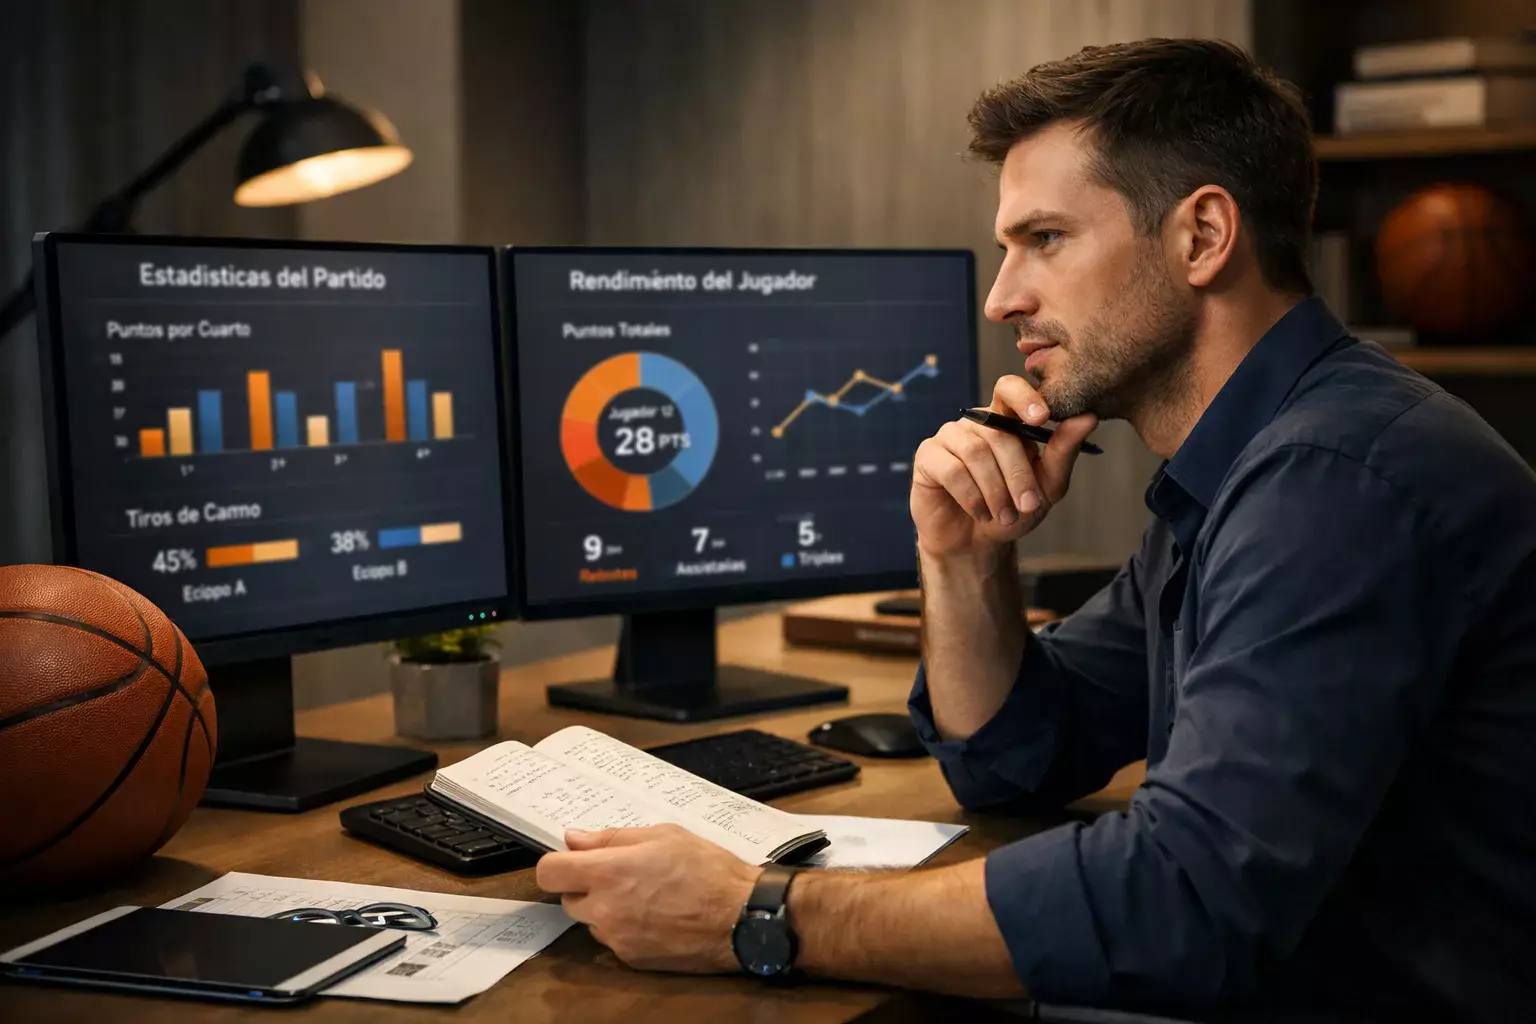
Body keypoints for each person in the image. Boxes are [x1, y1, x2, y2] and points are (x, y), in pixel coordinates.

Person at [535, 38, 1536, 1022]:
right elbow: (1015, 757)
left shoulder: (1334, 482)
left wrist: (759, 913)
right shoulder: (1242, 469)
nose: (1001, 296)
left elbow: (1185, 903)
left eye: (1044, 239)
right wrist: (963, 558)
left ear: (1202, 237)